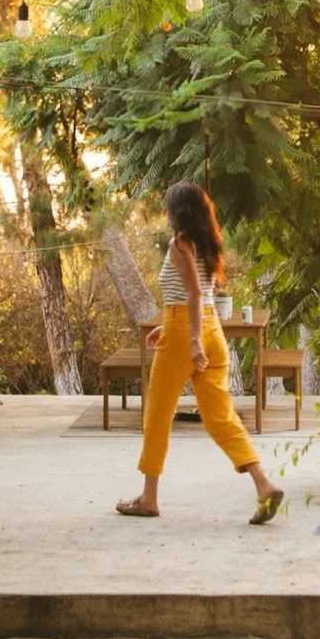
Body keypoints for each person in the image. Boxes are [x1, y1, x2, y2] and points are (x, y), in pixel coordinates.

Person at [116, 180, 284, 524]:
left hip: (188, 332)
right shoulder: (207, 244)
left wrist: (188, 339)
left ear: (177, 211)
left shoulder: (179, 244)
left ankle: (148, 498)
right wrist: (175, 328)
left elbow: (191, 295)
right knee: (220, 416)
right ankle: (263, 484)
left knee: (157, 414)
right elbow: (201, 298)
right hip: (210, 331)